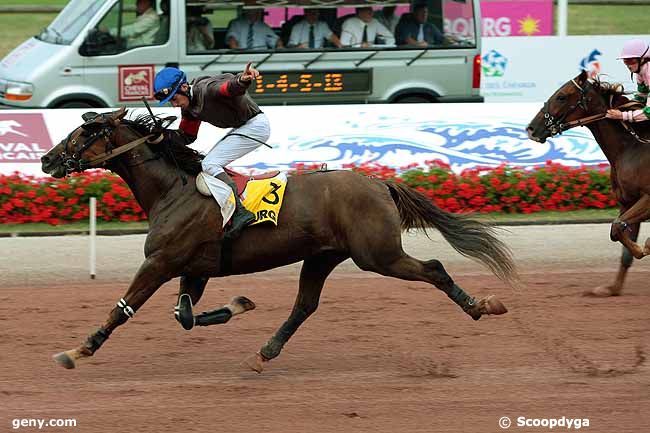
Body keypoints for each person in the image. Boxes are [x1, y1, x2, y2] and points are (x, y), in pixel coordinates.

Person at [153, 64, 269, 239]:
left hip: (256, 126)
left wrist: (242, 80)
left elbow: (228, 88)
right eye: (170, 101)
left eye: (174, 99)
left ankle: (240, 212)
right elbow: (187, 136)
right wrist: (161, 137)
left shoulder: (206, 90)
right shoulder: (189, 108)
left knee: (210, 163)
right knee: (207, 163)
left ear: (184, 87)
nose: (174, 104)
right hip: (245, 126)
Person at [606, 39, 650, 123]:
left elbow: (649, 113)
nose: (629, 66)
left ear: (643, 59)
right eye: (626, 61)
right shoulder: (640, 71)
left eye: (631, 61)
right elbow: (641, 97)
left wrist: (622, 115)